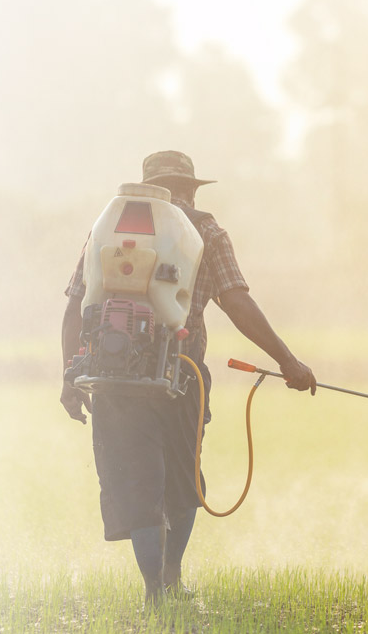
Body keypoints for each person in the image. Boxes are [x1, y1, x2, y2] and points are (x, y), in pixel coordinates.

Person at [59, 150, 317, 603]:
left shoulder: (107, 229)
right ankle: (171, 578)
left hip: (114, 379)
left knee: (139, 483)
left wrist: (68, 377)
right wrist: (288, 361)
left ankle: (154, 588)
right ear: (188, 190)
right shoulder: (207, 232)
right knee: (182, 480)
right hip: (182, 374)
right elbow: (236, 302)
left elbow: (77, 307)